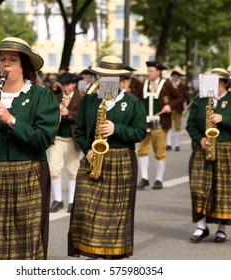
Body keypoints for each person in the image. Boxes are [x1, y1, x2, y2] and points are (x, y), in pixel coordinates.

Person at [0, 37, 59, 260]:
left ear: (24, 64)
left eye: (13, 60)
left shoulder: (41, 96)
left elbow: (44, 139)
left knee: (24, 237)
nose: (6, 65)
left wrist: (10, 119)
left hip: (27, 173)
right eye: (2, 59)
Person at [68, 56, 147, 259]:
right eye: (103, 76)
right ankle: (90, 248)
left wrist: (116, 128)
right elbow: (79, 130)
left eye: (111, 77)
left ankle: (112, 253)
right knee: (84, 205)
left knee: (115, 211)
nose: (106, 80)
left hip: (121, 159)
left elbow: (140, 133)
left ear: (120, 79)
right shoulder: (89, 100)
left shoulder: (132, 103)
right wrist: (87, 149)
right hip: (92, 156)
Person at [186, 68, 231, 243]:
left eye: (214, 82)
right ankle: (201, 226)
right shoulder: (200, 100)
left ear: (223, 83)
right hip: (204, 148)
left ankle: (222, 229)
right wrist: (200, 139)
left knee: (223, 190)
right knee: (198, 187)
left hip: (228, 147)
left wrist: (224, 119)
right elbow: (190, 125)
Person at [136, 61, 184, 190]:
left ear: (158, 72)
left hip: (160, 123)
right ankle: (144, 178)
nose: (148, 73)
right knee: (142, 150)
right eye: (148, 71)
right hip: (145, 122)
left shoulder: (166, 84)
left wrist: (170, 106)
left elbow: (180, 97)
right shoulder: (144, 84)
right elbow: (138, 100)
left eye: (151, 71)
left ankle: (159, 179)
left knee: (159, 152)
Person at [49, 72, 83, 213]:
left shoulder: (81, 98)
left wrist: (68, 113)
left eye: (67, 84)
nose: (65, 88)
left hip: (72, 139)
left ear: (74, 84)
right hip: (57, 138)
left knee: (73, 170)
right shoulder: (56, 98)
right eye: (62, 85)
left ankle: (72, 201)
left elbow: (83, 117)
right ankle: (58, 200)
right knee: (54, 169)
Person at [166, 70, 189, 151]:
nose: (175, 78)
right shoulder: (168, 84)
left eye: (176, 76)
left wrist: (186, 107)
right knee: (168, 125)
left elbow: (185, 97)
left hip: (178, 108)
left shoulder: (182, 85)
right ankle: (168, 143)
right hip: (169, 107)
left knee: (177, 126)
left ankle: (177, 144)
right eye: (173, 76)